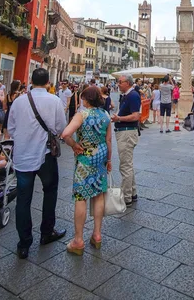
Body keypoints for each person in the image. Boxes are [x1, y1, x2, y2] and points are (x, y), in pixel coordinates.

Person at [8, 68, 67, 259]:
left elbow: (11, 128)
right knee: (50, 192)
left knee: (23, 199)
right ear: (48, 82)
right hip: (46, 154)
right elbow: (60, 128)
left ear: (31, 81)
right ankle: (47, 232)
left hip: (23, 156)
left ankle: (24, 244)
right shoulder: (54, 100)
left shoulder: (18, 101)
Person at [62, 86, 111, 255]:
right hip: (101, 156)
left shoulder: (82, 114)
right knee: (98, 195)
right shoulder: (106, 115)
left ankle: (78, 240)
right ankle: (97, 235)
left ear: (86, 99)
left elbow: (65, 134)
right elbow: (109, 140)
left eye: (83, 98)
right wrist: (109, 160)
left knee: (81, 196)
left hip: (85, 159)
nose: (81, 101)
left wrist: (74, 145)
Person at [111, 74, 141, 206]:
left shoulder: (133, 96)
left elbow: (136, 116)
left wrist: (119, 119)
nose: (118, 84)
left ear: (128, 83)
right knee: (128, 164)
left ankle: (126, 196)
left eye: (120, 82)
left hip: (127, 133)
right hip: (124, 132)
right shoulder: (126, 95)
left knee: (125, 166)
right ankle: (132, 193)